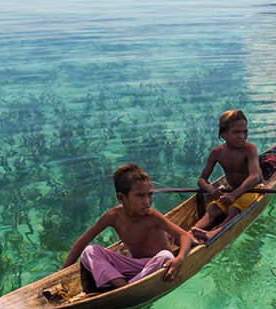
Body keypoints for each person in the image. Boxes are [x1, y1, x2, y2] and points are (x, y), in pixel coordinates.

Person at [62, 163, 196, 293]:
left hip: (155, 265)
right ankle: (122, 286)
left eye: (150, 194)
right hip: (132, 267)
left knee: (166, 256)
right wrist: (62, 274)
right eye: (140, 196)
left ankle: (124, 289)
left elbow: (184, 236)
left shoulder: (152, 216)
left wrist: (180, 259)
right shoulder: (113, 216)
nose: (147, 202)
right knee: (90, 251)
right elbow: (84, 240)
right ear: (121, 197)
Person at [191, 110, 262, 239]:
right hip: (231, 191)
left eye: (245, 131)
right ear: (223, 135)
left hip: (252, 190)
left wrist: (235, 194)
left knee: (234, 210)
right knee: (212, 209)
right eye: (236, 132)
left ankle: (214, 233)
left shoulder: (249, 149)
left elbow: (254, 177)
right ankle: (190, 234)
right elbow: (202, 180)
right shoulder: (217, 152)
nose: (242, 136)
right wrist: (210, 189)